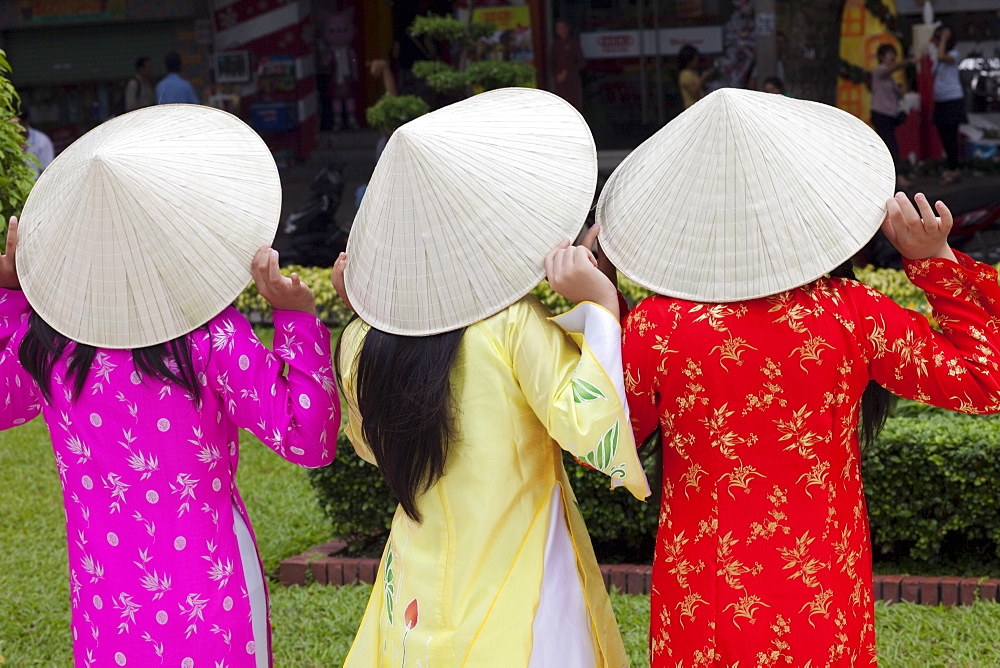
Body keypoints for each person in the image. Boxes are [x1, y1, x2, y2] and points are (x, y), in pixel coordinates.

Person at [596, 88, 1000, 666]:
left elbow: (606, 450)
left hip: (703, 596)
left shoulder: (658, 328)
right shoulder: (851, 313)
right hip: (823, 592)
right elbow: (987, 381)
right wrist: (935, 260)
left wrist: (599, 307)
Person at [0, 105, 339, 666]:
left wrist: (13, 297)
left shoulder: (49, 347)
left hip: (107, 613)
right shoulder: (211, 339)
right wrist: (296, 320)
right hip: (215, 598)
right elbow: (309, 439)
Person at [333, 88, 649, 666]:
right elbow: (591, 429)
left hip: (418, 562)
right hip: (518, 556)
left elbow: (369, 447)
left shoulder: (364, 342)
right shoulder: (511, 325)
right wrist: (602, 305)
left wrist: (362, 311)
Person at [871, 43, 916, 190]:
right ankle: (899, 179)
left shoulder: (891, 77)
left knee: (890, 146)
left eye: (893, 55)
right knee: (891, 146)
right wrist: (906, 62)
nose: (892, 58)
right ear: (882, 57)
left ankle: (889, 179)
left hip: (889, 115)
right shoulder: (879, 71)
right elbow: (888, 71)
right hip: (881, 114)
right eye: (889, 54)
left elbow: (899, 94)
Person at [930, 25, 966, 185]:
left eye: (941, 38)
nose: (938, 41)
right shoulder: (938, 57)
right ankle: (952, 168)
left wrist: (944, 38)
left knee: (951, 137)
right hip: (941, 101)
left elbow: (941, 57)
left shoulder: (954, 54)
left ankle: (954, 170)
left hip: (953, 100)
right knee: (944, 136)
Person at [549, 20, 585, 111]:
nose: (560, 30)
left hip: (572, 80)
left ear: (567, 28)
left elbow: (581, 62)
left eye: (562, 28)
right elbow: (551, 63)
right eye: (558, 28)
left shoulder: (573, 43)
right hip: (560, 81)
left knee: (574, 103)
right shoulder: (556, 45)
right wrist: (557, 74)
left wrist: (568, 71)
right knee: (560, 102)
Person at [18, 107, 53, 177]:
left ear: (26, 121)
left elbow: (48, 170)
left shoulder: (42, 141)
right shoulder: (6, 142)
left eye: (19, 123)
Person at [678, 44, 714, 109]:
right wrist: (703, 78)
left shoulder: (694, 73)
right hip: (692, 108)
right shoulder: (685, 74)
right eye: (695, 58)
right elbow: (694, 93)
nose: (697, 60)